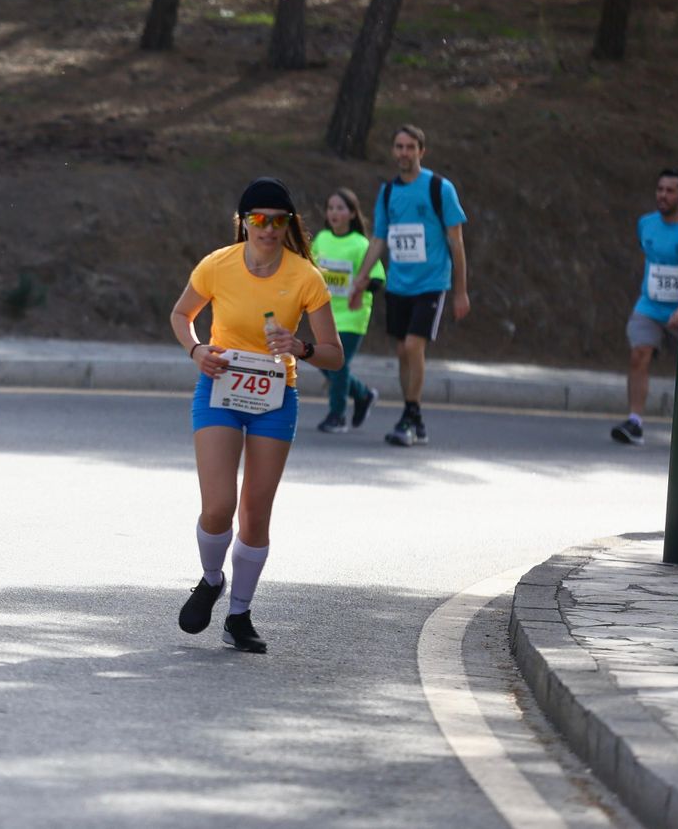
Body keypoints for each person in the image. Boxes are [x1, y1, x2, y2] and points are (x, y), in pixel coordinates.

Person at [170, 178, 343, 653]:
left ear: (289, 225)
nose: (268, 229)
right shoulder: (217, 265)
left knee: (255, 511)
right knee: (218, 505)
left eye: (278, 221)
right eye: (259, 220)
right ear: (244, 223)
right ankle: (210, 580)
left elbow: (334, 354)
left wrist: (301, 347)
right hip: (220, 387)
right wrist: (197, 349)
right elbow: (181, 315)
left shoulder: (305, 275)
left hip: (275, 396)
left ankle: (239, 615)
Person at [347, 124, 469, 447]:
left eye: (410, 147)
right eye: (399, 147)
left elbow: (456, 243)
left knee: (414, 346)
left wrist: (460, 291)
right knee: (402, 350)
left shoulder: (440, 189)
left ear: (421, 151)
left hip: (431, 283)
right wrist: (361, 278)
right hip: (399, 284)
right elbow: (379, 240)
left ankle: (411, 415)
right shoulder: (388, 192)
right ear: (393, 151)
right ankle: (412, 415)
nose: (404, 153)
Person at [613, 169, 678, 445]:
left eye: (670, 191)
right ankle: (634, 423)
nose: (663, 195)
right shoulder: (645, 224)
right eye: (660, 189)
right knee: (638, 355)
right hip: (649, 306)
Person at [311, 188, 385, 432]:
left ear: (352, 213)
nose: (334, 212)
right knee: (324, 361)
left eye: (340, 208)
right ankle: (362, 395)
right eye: (330, 207)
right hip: (325, 315)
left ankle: (337, 415)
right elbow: (309, 270)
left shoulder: (361, 244)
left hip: (353, 316)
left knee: (338, 363)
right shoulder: (321, 239)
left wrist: (363, 288)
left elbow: (377, 278)